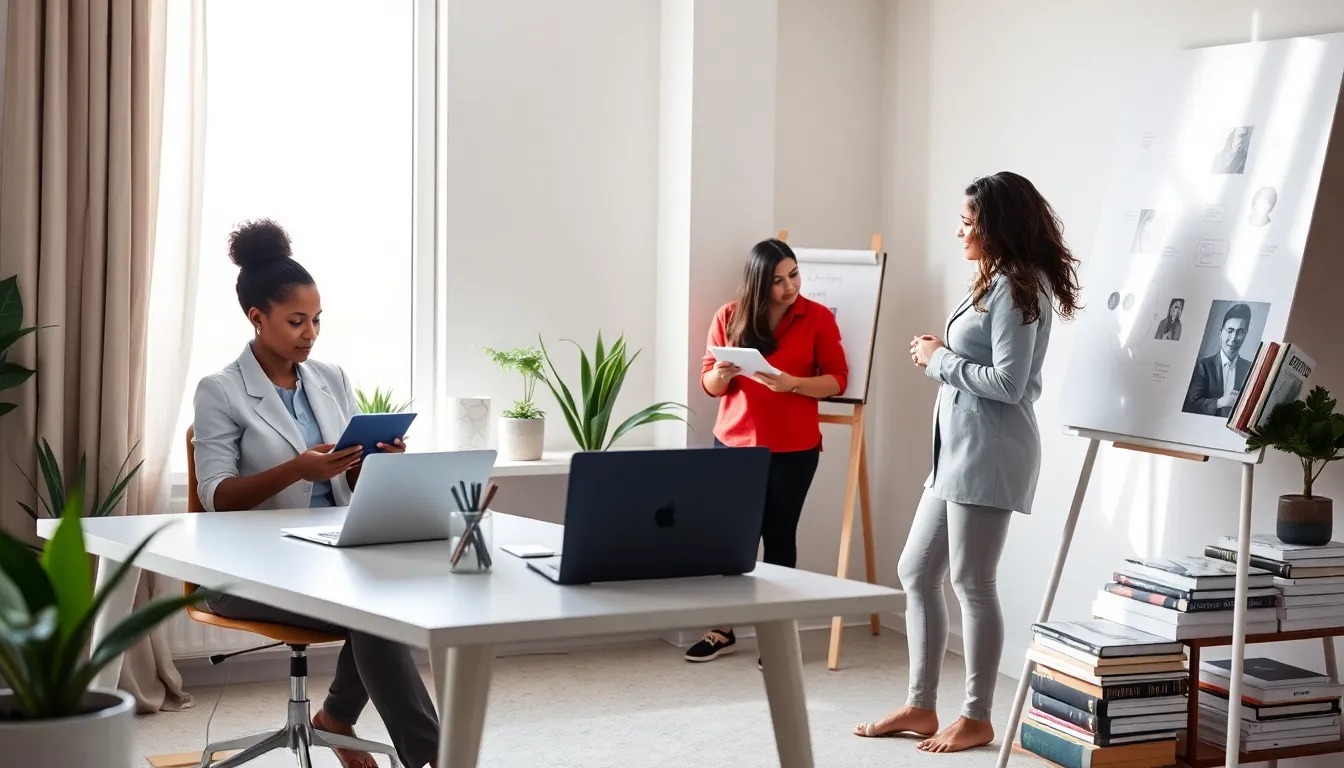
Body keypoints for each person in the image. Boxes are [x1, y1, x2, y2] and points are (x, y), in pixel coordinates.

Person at [192, 219, 438, 768]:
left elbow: (348, 483)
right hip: (247, 569)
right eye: (296, 320)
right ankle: (428, 754)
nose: (311, 333)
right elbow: (216, 496)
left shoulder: (331, 378)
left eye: (317, 319)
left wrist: (371, 463)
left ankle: (339, 721)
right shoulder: (220, 390)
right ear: (257, 318)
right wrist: (297, 468)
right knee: (375, 607)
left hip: (332, 552)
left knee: (390, 595)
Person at [853, 172, 1081, 753]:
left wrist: (939, 359)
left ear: (998, 225)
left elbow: (1009, 383)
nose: (960, 231)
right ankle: (920, 705)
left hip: (989, 453)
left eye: (968, 222)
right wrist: (943, 355)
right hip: (955, 454)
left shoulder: (1019, 288)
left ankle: (977, 716)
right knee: (915, 570)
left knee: (972, 583)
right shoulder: (996, 280)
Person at [685, 238, 848, 667]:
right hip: (733, 445)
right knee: (731, 542)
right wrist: (721, 374)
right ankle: (722, 628)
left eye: (794, 275)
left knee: (779, 540)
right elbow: (709, 384)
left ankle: (777, 637)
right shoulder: (729, 315)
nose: (790, 286)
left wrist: (792, 383)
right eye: (778, 280)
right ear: (759, 282)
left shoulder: (817, 317)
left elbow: (837, 380)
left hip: (794, 449)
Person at [1182, 302, 1253, 418]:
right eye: (1230, 331)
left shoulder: (1251, 368)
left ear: (1245, 335)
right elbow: (1191, 404)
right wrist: (1221, 402)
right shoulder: (1202, 366)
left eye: (1240, 332)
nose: (1234, 338)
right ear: (1221, 333)